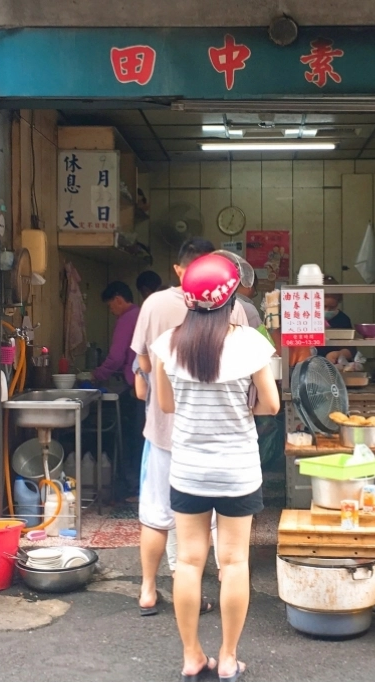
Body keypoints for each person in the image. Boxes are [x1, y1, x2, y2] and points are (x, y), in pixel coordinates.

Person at [151, 253, 279, 682]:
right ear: (231, 300)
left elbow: (166, 405)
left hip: (188, 469)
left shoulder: (167, 344)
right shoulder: (249, 344)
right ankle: (227, 658)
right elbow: (271, 405)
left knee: (188, 563)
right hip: (238, 472)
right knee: (234, 562)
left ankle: (192, 657)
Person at [130, 238, 250, 620]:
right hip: (219, 439)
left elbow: (144, 366)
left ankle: (149, 590)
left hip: (165, 433)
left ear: (181, 270)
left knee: (156, 515)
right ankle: (203, 599)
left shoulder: (153, 305)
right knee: (214, 536)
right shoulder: (237, 309)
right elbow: (249, 378)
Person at [93, 281, 143, 498]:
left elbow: (116, 357)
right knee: (141, 440)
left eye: (111, 306)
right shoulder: (141, 314)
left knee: (130, 440)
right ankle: (140, 486)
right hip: (147, 386)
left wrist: (97, 375)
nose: (111, 311)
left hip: (134, 388)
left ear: (118, 299)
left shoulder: (127, 319)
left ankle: (132, 487)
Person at [316, 275, 355, 365]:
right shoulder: (305, 319)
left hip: (334, 369)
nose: (327, 311)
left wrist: (339, 354)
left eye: (332, 307)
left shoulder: (342, 320)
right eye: (323, 306)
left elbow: (351, 350)